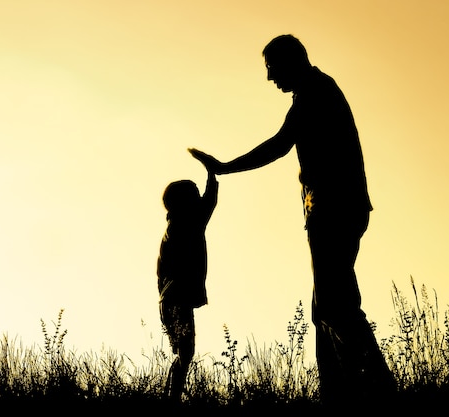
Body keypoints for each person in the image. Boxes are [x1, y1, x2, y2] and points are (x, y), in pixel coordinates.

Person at [189, 34, 396, 406]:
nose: (270, 78)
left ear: (291, 61)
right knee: (324, 309)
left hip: (333, 210)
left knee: (335, 306)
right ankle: (339, 393)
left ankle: (378, 387)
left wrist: (225, 167)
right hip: (335, 209)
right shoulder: (315, 92)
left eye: (271, 68)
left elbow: (279, 145)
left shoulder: (315, 93)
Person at [156, 159, 218, 403]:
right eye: (193, 196)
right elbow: (209, 203)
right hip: (176, 299)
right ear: (184, 203)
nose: (198, 200)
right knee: (185, 353)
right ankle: (172, 398)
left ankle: (172, 396)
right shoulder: (187, 225)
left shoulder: (176, 226)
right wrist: (212, 173)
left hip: (170, 300)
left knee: (183, 353)